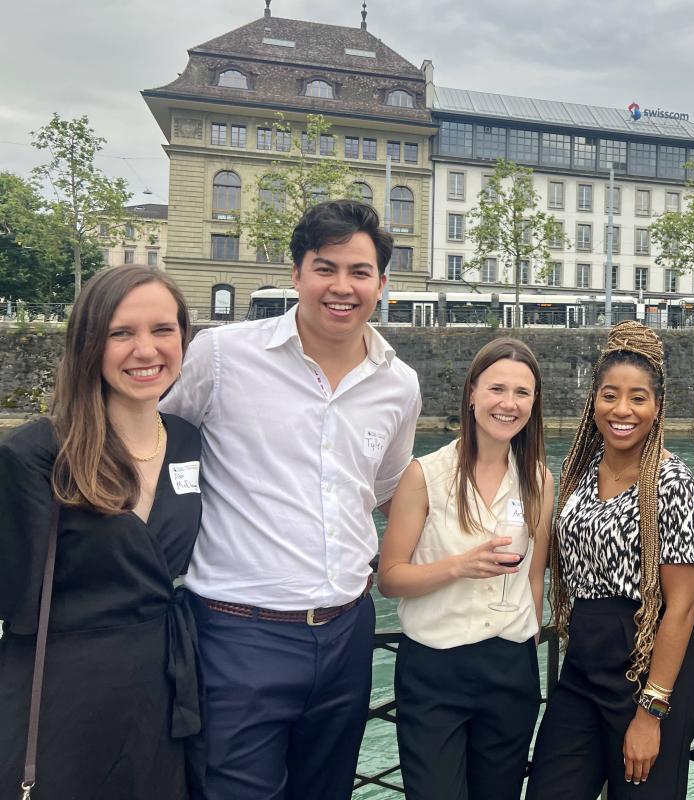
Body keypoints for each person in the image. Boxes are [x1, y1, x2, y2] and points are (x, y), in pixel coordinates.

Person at [160, 199, 421, 800]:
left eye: (359, 272)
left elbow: (384, 485)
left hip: (348, 632)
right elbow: (157, 445)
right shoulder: (223, 355)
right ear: (297, 272)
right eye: (325, 268)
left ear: (382, 282)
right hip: (236, 629)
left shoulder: (398, 383)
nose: (342, 287)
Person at [0, 265, 203, 799]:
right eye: (121, 333)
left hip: (164, 696)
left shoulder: (188, 441)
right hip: (66, 701)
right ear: (89, 343)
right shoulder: (36, 454)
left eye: (162, 330)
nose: (146, 350)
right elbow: (13, 597)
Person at [526, 321, 694, 800]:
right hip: (583, 663)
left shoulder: (672, 482)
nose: (621, 410)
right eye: (609, 395)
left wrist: (651, 711)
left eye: (638, 398)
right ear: (593, 399)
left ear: (657, 406)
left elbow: (682, 606)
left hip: (647, 666)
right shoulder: (579, 473)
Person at [377, 338, 553, 800]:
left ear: (533, 405)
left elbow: (534, 574)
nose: (508, 404)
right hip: (436, 667)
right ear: (472, 392)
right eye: (497, 389)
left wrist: (527, 639)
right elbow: (390, 577)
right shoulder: (425, 474)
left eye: (522, 394)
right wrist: (460, 566)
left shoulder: (537, 478)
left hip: (510, 668)